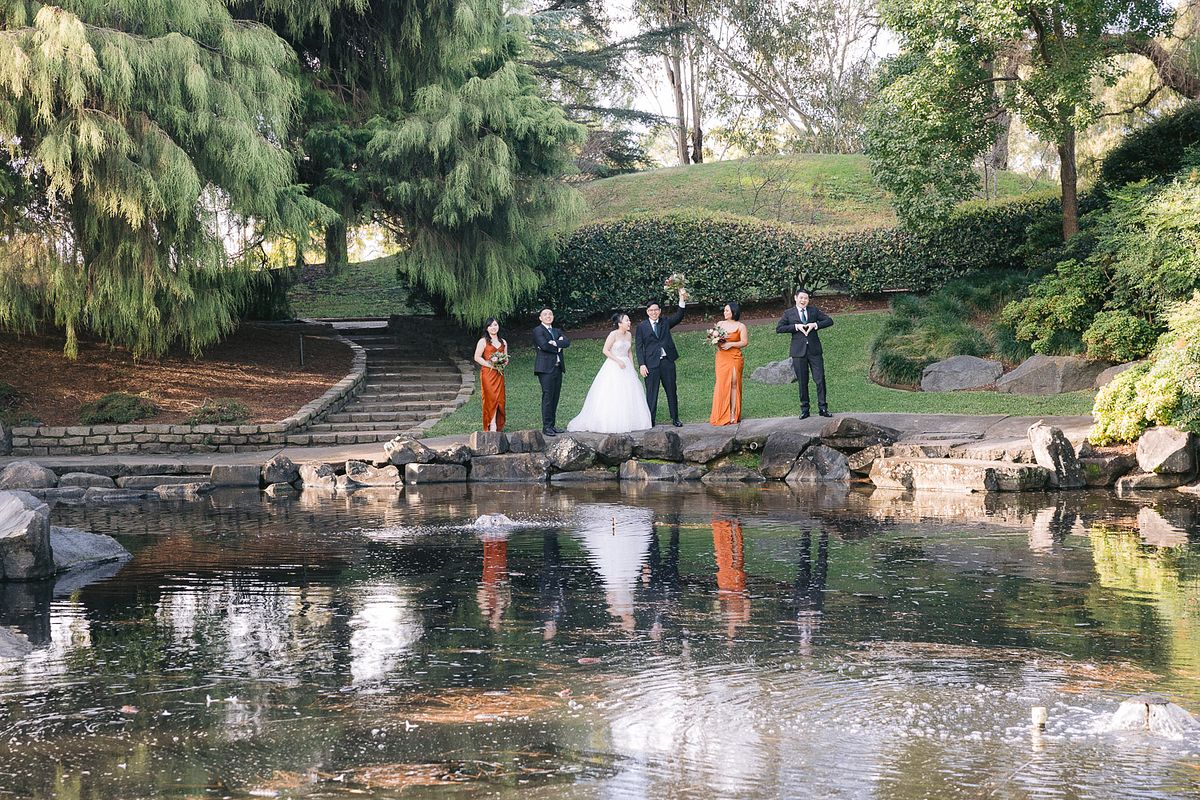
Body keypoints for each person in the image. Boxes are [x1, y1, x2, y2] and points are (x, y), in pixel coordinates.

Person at [568, 312, 653, 433]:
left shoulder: (629, 335)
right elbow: (605, 350)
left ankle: (631, 420)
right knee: (613, 391)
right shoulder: (613, 334)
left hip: (626, 365)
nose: (629, 323)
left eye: (629, 320)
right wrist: (618, 361)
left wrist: (632, 366)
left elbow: (629, 351)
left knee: (629, 392)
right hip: (614, 364)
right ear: (619, 323)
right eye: (626, 321)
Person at [776, 288, 833, 419]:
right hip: (798, 352)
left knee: (819, 379)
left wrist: (815, 325)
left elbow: (829, 320)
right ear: (796, 298)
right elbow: (779, 328)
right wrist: (796, 327)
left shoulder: (813, 311)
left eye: (806, 298)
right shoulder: (789, 313)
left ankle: (823, 408)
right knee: (802, 381)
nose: (803, 300)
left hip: (814, 351)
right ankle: (805, 409)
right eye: (801, 298)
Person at [635, 288, 689, 427]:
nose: (654, 312)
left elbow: (679, 316)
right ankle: (650, 420)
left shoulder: (665, 322)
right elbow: (639, 347)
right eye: (651, 310)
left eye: (656, 310)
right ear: (647, 312)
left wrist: (681, 298)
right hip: (651, 364)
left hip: (667, 362)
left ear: (659, 311)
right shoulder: (642, 327)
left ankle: (675, 418)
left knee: (671, 390)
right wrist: (642, 364)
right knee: (651, 393)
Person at [709, 301, 749, 426]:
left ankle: (732, 413)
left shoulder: (740, 326)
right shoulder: (720, 324)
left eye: (727, 310)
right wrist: (716, 341)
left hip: (734, 357)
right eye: (724, 310)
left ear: (734, 312)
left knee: (733, 383)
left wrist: (731, 344)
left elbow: (744, 342)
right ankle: (721, 414)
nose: (724, 312)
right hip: (722, 357)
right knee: (722, 384)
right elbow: (713, 338)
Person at [532, 307, 570, 436]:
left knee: (555, 397)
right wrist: (558, 347)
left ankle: (552, 425)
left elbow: (567, 342)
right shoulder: (538, 330)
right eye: (545, 314)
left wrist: (555, 343)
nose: (548, 316)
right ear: (540, 318)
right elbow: (544, 345)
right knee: (548, 396)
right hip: (545, 368)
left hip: (557, 367)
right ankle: (546, 426)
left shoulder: (556, 330)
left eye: (550, 314)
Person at [473, 317, 507, 431]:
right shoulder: (483, 341)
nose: (494, 327)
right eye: (491, 325)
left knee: (500, 399)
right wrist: (491, 365)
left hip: (499, 374)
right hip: (488, 374)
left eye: (496, 325)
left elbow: (506, 358)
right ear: (487, 328)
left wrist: (502, 363)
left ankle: (498, 423)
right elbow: (477, 357)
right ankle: (491, 424)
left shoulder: (503, 341)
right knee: (490, 398)